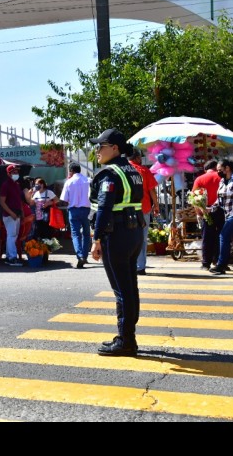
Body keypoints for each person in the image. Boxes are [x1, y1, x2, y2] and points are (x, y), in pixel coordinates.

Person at [88, 129, 144, 357]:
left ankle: (126, 341)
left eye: (100, 146)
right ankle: (128, 336)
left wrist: (96, 239)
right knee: (130, 288)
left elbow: (103, 209)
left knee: (121, 291)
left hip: (116, 235)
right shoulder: (133, 170)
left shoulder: (109, 174)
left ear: (114, 148)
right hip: (134, 233)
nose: (97, 151)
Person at [128, 150, 159, 275]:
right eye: (140, 157)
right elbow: (152, 190)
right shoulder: (144, 170)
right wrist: (156, 205)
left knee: (128, 237)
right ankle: (140, 266)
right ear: (136, 158)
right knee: (142, 238)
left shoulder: (124, 170)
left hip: (127, 209)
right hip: (143, 208)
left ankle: (130, 265)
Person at [192, 160, 225, 270]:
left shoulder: (199, 179)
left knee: (207, 237)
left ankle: (206, 263)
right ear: (216, 167)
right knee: (222, 236)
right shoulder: (221, 177)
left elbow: (194, 198)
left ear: (205, 169)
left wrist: (199, 213)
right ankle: (220, 261)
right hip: (221, 209)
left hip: (206, 210)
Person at [60, 162, 92, 269]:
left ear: (71, 171)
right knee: (86, 234)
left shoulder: (69, 182)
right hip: (86, 210)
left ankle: (80, 255)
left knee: (75, 234)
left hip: (73, 210)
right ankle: (85, 256)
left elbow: (64, 199)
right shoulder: (88, 180)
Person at [0, 164, 24, 267]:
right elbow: (2, 202)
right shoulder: (5, 185)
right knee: (11, 236)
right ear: (8, 174)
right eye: (14, 172)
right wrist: (11, 213)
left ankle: (9, 257)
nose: (16, 173)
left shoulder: (17, 184)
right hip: (9, 215)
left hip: (17, 214)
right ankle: (12, 258)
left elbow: (19, 200)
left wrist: (21, 212)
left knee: (14, 236)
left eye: (17, 172)